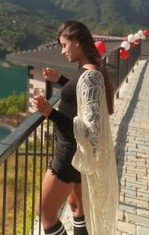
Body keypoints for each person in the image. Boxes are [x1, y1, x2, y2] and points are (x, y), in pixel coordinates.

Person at [32, 20, 118, 235]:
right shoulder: (89, 71)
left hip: (70, 153)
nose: (62, 52)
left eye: (64, 45)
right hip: (78, 152)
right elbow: (79, 96)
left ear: (77, 42)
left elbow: (88, 130)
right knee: (77, 209)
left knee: (45, 213)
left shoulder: (90, 76)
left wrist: (50, 113)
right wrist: (60, 79)